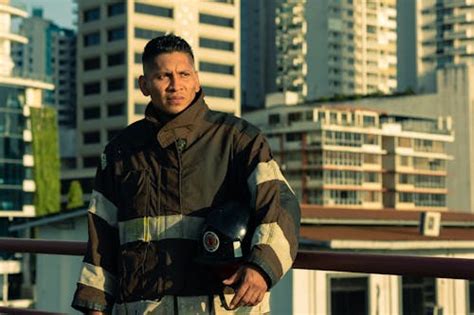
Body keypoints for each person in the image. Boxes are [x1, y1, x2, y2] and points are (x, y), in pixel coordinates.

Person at [71, 34, 300, 314]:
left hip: (222, 308)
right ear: (144, 85)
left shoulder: (238, 140)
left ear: (197, 80)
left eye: (183, 74)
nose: (175, 84)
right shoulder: (120, 152)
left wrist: (261, 268)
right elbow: (101, 238)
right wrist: (95, 306)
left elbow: (281, 205)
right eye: (163, 76)